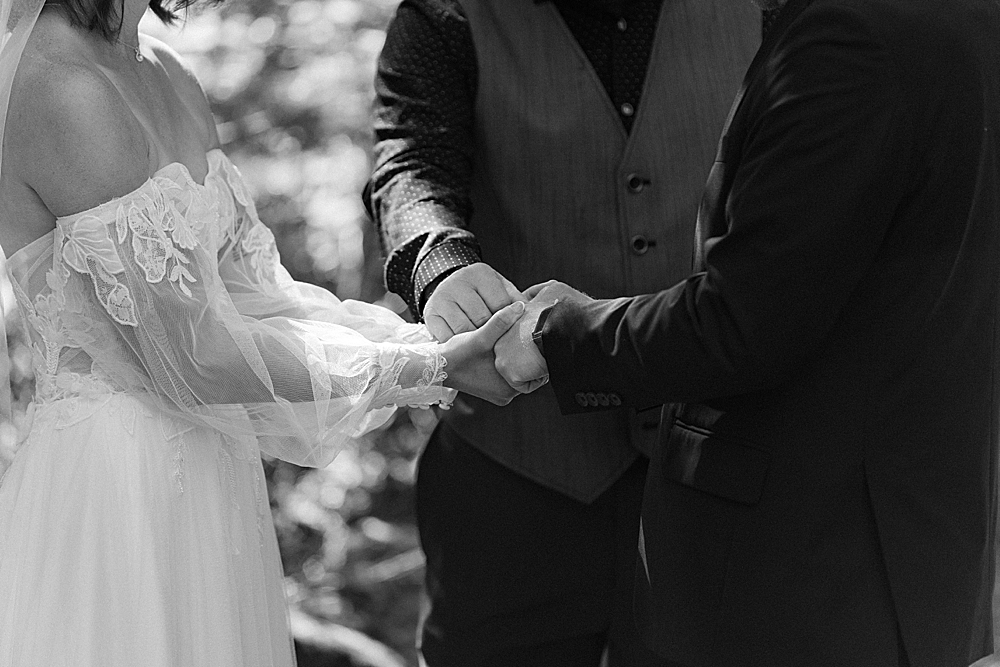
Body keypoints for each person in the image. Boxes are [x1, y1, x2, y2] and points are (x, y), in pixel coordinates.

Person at [0, 0, 535, 663]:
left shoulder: (162, 68)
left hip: (213, 477)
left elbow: (256, 301)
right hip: (119, 495)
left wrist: (421, 342)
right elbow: (193, 360)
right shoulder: (62, 85)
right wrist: (428, 370)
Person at [494, 0, 1000, 664]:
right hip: (922, 546)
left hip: (801, 574)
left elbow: (745, 321)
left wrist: (556, 336)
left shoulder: (847, 41)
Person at [364, 1, 759, 664]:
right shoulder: (446, 15)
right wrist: (439, 263)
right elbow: (411, 161)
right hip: (510, 479)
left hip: (723, 471)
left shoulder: (778, 10)